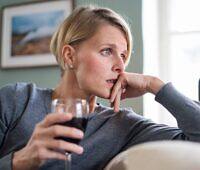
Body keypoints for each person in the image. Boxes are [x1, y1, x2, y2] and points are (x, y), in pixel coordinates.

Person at [0, 5, 200, 170]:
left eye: (123, 55)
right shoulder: (16, 100)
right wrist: (20, 161)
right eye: (107, 51)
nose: (120, 66)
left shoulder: (123, 125)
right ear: (70, 56)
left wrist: (155, 85)